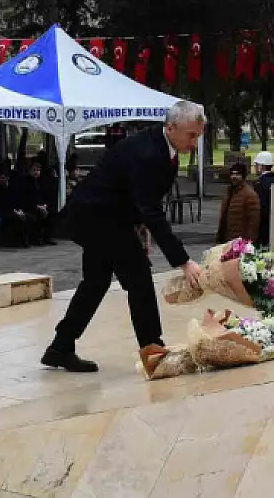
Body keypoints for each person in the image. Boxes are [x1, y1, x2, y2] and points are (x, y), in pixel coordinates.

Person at [43, 100, 206, 372]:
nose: (194, 142)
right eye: (191, 135)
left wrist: (139, 227)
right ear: (171, 127)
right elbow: (151, 209)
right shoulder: (148, 152)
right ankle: (154, 353)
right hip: (96, 218)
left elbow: (138, 196)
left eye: (198, 136)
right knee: (139, 278)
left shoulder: (161, 144)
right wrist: (184, 261)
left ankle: (60, 347)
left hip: (105, 216)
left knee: (96, 282)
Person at [217, 162, 260, 243]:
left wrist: (248, 242)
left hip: (240, 242)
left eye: (237, 174)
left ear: (243, 177)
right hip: (227, 239)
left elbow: (253, 222)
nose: (234, 177)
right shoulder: (229, 192)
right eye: (232, 174)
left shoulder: (250, 195)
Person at [252, 151, 274, 247]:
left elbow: (260, 207)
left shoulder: (260, 184)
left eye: (256, 165)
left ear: (262, 166)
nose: (255, 167)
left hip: (263, 226)